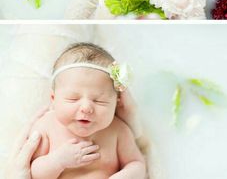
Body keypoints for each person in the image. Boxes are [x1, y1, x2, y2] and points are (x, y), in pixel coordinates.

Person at [30, 43, 146, 179]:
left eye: (99, 101)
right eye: (73, 99)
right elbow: (34, 173)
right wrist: (57, 161)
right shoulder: (46, 127)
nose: (86, 108)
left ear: (117, 102)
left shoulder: (118, 130)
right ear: (54, 99)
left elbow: (137, 164)